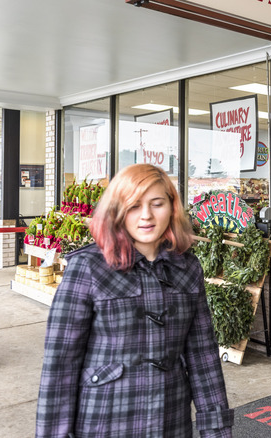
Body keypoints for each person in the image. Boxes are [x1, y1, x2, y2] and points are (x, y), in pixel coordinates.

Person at [36, 164, 234, 437]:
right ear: (118, 210)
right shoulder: (88, 267)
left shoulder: (187, 267)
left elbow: (203, 357)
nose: (147, 216)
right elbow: (60, 365)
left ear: (172, 207)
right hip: (104, 421)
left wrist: (217, 432)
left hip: (171, 421)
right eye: (133, 206)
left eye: (157, 204)